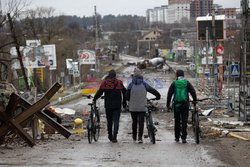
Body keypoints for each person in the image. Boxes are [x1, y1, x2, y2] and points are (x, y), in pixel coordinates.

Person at [126, 74, 161, 143]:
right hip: (142, 106)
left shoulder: (130, 85)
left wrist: (131, 100)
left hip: (133, 107)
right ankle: (140, 138)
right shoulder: (144, 84)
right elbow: (153, 91)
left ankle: (134, 137)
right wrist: (158, 96)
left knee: (134, 122)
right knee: (141, 122)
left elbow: (126, 96)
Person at [93, 70, 126, 143]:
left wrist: (94, 99)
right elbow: (124, 92)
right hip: (117, 105)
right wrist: (124, 103)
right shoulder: (119, 82)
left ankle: (110, 135)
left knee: (109, 121)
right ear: (115, 75)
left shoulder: (105, 83)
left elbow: (99, 92)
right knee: (116, 121)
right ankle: (115, 136)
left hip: (108, 105)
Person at [167, 69, 197, 143]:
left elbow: (169, 94)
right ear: (183, 75)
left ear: (176, 75)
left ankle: (177, 137)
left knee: (177, 121)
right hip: (185, 104)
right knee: (184, 121)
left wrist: (168, 105)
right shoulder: (187, 83)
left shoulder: (174, 83)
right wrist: (194, 100)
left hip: (176, 105)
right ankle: (184, 138)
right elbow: (193, 91)